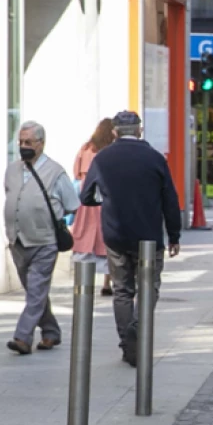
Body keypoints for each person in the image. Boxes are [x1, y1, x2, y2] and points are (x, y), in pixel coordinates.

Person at [80, 111, 182, 367]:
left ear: (114, 133)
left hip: (115, 235)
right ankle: (137, 326)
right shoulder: (155, 158)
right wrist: (174, 235)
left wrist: (106, 199)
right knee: (149, 288)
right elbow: (170, 199)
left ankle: (129, 345)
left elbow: (86, 196)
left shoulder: (103, 158)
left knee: (122, 291)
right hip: (148, 237)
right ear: (140, 131)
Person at [4, 121, 80, 355]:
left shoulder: (56, 172)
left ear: (41, 143)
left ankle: (22, 337)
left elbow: (72, 205)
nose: (23, 146)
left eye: (28, 142)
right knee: (35, 292)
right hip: (18, 241)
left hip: (45, 241)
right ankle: (51, 332)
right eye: (21, 142)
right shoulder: (12, 169)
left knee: (36, 290)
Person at [72, 118, 114, 296]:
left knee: (84, 239)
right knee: (107, 241)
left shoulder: (85, 149)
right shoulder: (109, 151)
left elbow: (75, 172)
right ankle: (107, 283)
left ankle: (82, 282)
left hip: (86, 201)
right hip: (104, 199)